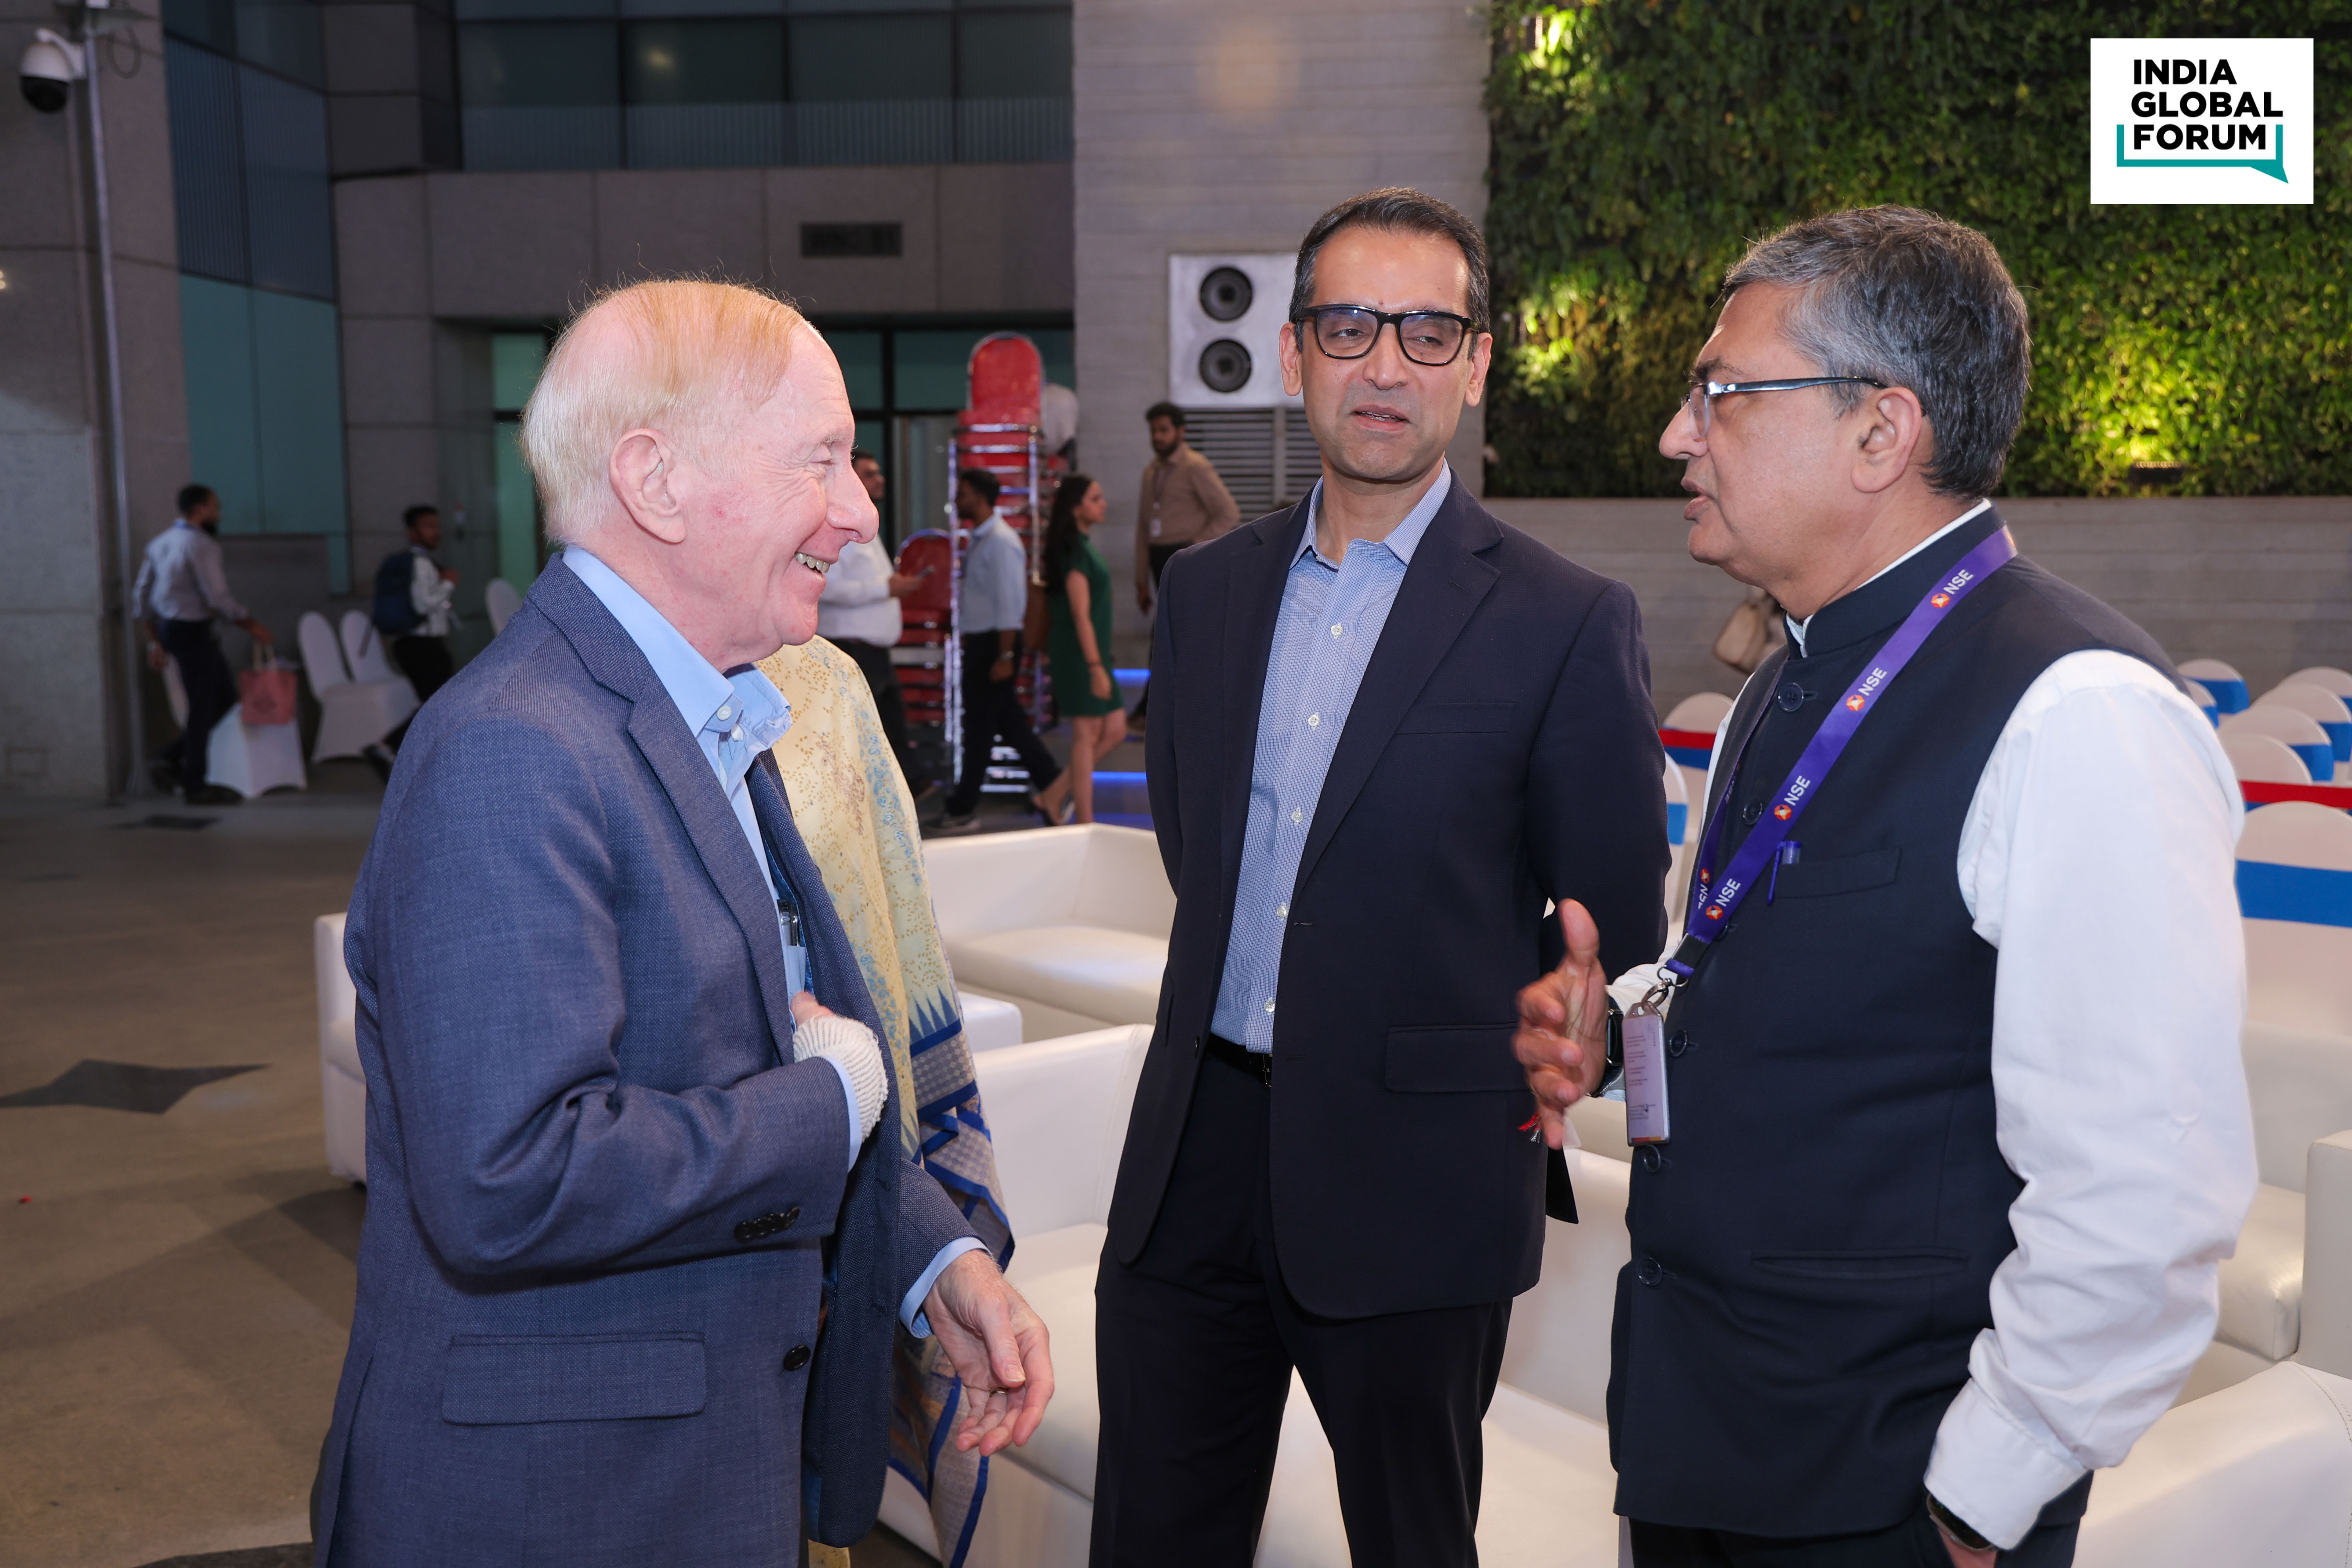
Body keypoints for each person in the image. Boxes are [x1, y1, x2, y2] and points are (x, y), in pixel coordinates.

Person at [1513, 207, 2256, 1568]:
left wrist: (1984, 1494)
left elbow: (2144, 1193)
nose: (1678, 436)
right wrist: (1610, 1034)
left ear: (1879, 432)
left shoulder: (2080, 712)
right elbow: (1753, 972)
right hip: (1699, 1436)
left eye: (1721, 394)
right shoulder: (1787, 680)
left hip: (1891, 1494)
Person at [311, 279, 1052, 1568]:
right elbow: (512, 1180)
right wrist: (834, 1099)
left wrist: (936, 1263)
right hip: (562, 1507)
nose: (860, 511)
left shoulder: (708, 715)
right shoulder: (512, 751)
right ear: (655, 482)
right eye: (820, 460)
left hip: (688, 1472)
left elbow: (748, 1049)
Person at [1094, 188, 1669, 1567]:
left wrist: (1582, 1053)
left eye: (1428, 332)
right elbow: (1194, 847)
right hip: (1193, 1155)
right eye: (1350, 327)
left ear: (1476, 364)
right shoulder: (1208, 592)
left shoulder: (1565, 619)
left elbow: (1610, 932)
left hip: (1420, 1181)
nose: (1387, 364)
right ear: (1294, 352)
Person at [937, 468, 1061, 833]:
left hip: (996, 645)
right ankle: (1055, 785)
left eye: (963, 493)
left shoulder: (1001, 542)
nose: (957, 499)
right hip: (985, 643)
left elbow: (1010, 605)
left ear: (978, 496)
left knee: (979, 729)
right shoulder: (983, 538)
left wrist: (1005, 656)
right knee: (1007, 723)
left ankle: (964, 808)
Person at [134, 483, 274, 805]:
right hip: (193, 632)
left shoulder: (159, 543)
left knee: (222, 699)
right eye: (215, 508)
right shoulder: (202, 545)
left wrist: (156, 642)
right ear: (200, 510)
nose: (219, 515)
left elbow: (142, 598)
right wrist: (251, 625)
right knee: (204, 706)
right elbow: (218, 598)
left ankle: (170, 758)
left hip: (171, 630)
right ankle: (194, 784)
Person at [815, 448, 922, 788]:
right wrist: (885, 588)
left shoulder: (866, 523)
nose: (880, 480)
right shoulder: (834, 524)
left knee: (891, 733)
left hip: (874, 654)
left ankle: (905, 797)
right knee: (861, 738)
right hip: (850, 650)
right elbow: (827, 587)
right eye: (870, 474)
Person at [1130, 402, 1238, 726]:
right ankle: (1160, 709)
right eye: (1154, 431)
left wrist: (1195, 548)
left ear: (1181, 431)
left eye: (1164, 430)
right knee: (1169, 632)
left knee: (1169, 634)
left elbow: (1228, 514)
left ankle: (1153, 709)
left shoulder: (1195, 466)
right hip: (1159, 559)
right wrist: (1140, 578)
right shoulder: (1151, 472)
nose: (1158, 437)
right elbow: (1143, 527)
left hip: (1185, 558)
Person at [1034, 472, 1127, 824]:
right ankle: (1085, 823)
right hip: (1080, 654)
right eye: (1095, 499)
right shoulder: (1073, 550)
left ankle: (1052, 796)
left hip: (1094, 652)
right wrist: (1094, 666)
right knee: (1086, 734)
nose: (1104, 504)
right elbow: (1079, 613)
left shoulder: (1082, 546)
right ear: (1076, 508)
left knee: (1115, 730)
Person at [372, 505, 458, 702]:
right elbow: (423, 604)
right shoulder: (420, 563)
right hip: (423, 646)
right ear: (412, 531)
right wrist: (448, 584)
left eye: (437, 526)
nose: (436, 532)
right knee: (438, 705)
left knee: (434, 703)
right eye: (429, 526)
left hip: (419, 645)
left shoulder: (420, 561)